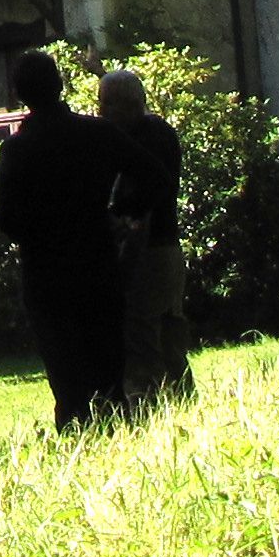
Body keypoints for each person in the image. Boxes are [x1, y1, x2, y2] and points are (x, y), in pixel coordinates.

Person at [0, 46, 129, 429]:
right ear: (60, 84)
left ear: (19, 95)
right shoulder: (97, 133)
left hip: (46, 271)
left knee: (66, 377)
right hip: (98, 260)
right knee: (108, 370)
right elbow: (151, 175)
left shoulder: (17, 150)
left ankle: (76, 434)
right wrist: (119, 216)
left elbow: (9, 222)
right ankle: (119, 433)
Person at [97, 63, 192, 407]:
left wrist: (119, 218)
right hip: (164, 249)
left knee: (143, 336)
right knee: (168, 337)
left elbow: (143, 196)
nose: (100, 111)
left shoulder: (146, 140)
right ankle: (182, 405)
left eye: (106, 103)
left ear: (128, 105)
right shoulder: (159, 133)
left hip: (150, 251)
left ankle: (150, 408)